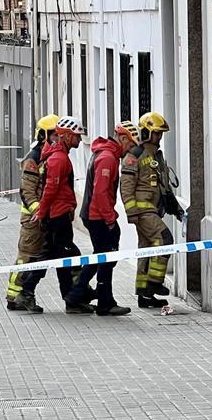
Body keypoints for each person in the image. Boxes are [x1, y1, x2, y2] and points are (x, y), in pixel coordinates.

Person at [64, 121, 141, 316]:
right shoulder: (108, 158)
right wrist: (110, 220)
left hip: (95, 214)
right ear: (123, 139)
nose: (130, 151)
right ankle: (88, 296)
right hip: (98, 216)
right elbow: (100, 193)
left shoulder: (106, 154)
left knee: (103, 256)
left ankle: (91, 295)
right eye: (130, 145)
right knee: (105, 257)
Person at [14, 116, 89, 313]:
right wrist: (41, 211)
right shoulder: (57, 159)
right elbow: (49, 189)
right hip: (54, 217)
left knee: (63, 258)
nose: (80, 141)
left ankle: (72, 299)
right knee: (51, 257)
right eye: (76, 137)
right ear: (65, 136)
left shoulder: (57, 156)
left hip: (57, 214)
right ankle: (26, 292)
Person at [121, 111, 185, 309]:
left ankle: (144, 295)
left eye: (160, 133)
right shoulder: (135, 156)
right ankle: (155, 284)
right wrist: (131, 212)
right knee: (164, 239)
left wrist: (175, 208)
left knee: (147, 250)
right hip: (142, 211)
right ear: (146, 132)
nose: (158, 137)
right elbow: (126, 186)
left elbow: (164, 186)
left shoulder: (157, 155)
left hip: (153, 210)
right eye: (155, 133)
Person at [6, 114, 59, 310]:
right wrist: (39, 211)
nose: (57, 139)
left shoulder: (50, 156)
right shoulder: (33, 159)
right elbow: (28, 191)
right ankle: (15, 296)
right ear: (44, 135)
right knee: (27, 256)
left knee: (38, 257)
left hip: (43, 216)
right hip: (32, 218)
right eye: (54, 135)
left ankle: (20, 296)